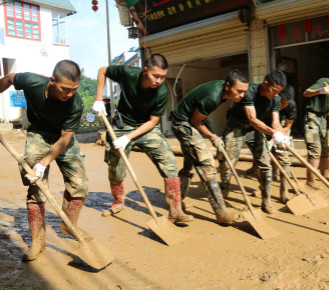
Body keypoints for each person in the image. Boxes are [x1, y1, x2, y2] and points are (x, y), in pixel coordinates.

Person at [0, 60, 89, 261]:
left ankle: (69, 224)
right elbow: (9, 78)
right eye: (65, 89)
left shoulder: (75, 103)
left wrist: (44, 162)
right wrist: (37, 165)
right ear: (52, 81)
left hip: (61, 137)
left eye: (74, 89)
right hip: (38, 133)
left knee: (79, 184)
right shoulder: (31, 81)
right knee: (35, 183)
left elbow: (65, 139)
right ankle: (38, 241)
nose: (70, 94)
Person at [92, 53, 193, 223]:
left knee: (168, 160)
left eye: (163, 77)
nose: (159, 81)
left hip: (146, 127)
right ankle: (118, 201)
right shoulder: (128, 73)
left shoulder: (161, 92)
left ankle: (175, 210)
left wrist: (129, 138)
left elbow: (153, 121)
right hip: (122, 126)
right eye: (155, 76)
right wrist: (99, 98)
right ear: (145, 70)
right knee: (116, 166)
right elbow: (103, 70)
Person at [170, 70, 249, 224]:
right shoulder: (213, 97)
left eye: (244, 92)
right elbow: (195, 121)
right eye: (239, 91)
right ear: (227, 86)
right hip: (182, 123)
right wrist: (212, 136)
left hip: (190, 120)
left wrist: (213, 135)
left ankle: (176, 204)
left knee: (190, 164)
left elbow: (202, 118)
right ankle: (221, 211)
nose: (242, 95)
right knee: (205, 163)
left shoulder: (222, 93)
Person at [219, 70, 290, 214]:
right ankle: (224, 189)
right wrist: (273, 133)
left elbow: (275, 122)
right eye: (274, 91)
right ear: (265, 84)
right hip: (237, 125)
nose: (276, 95)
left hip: (257, 129)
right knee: (228, 163)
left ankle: (266, 200)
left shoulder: (275, 98)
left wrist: (283, 137)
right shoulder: (250, 91)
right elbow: (252, 119)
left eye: (279, 92)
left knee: (265, 164)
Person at [244, 85, 297, 203]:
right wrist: (269, 140)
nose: (284, 106)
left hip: (279, 129)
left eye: (287, 103)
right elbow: (256, 121)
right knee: (262, 160)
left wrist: (280, 139)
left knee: (285, 158)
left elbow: (287, 126)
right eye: (282, 102)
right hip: (262, 127)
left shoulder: (291, 105)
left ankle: (284, 191)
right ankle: (262, 188)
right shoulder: (268, 101)